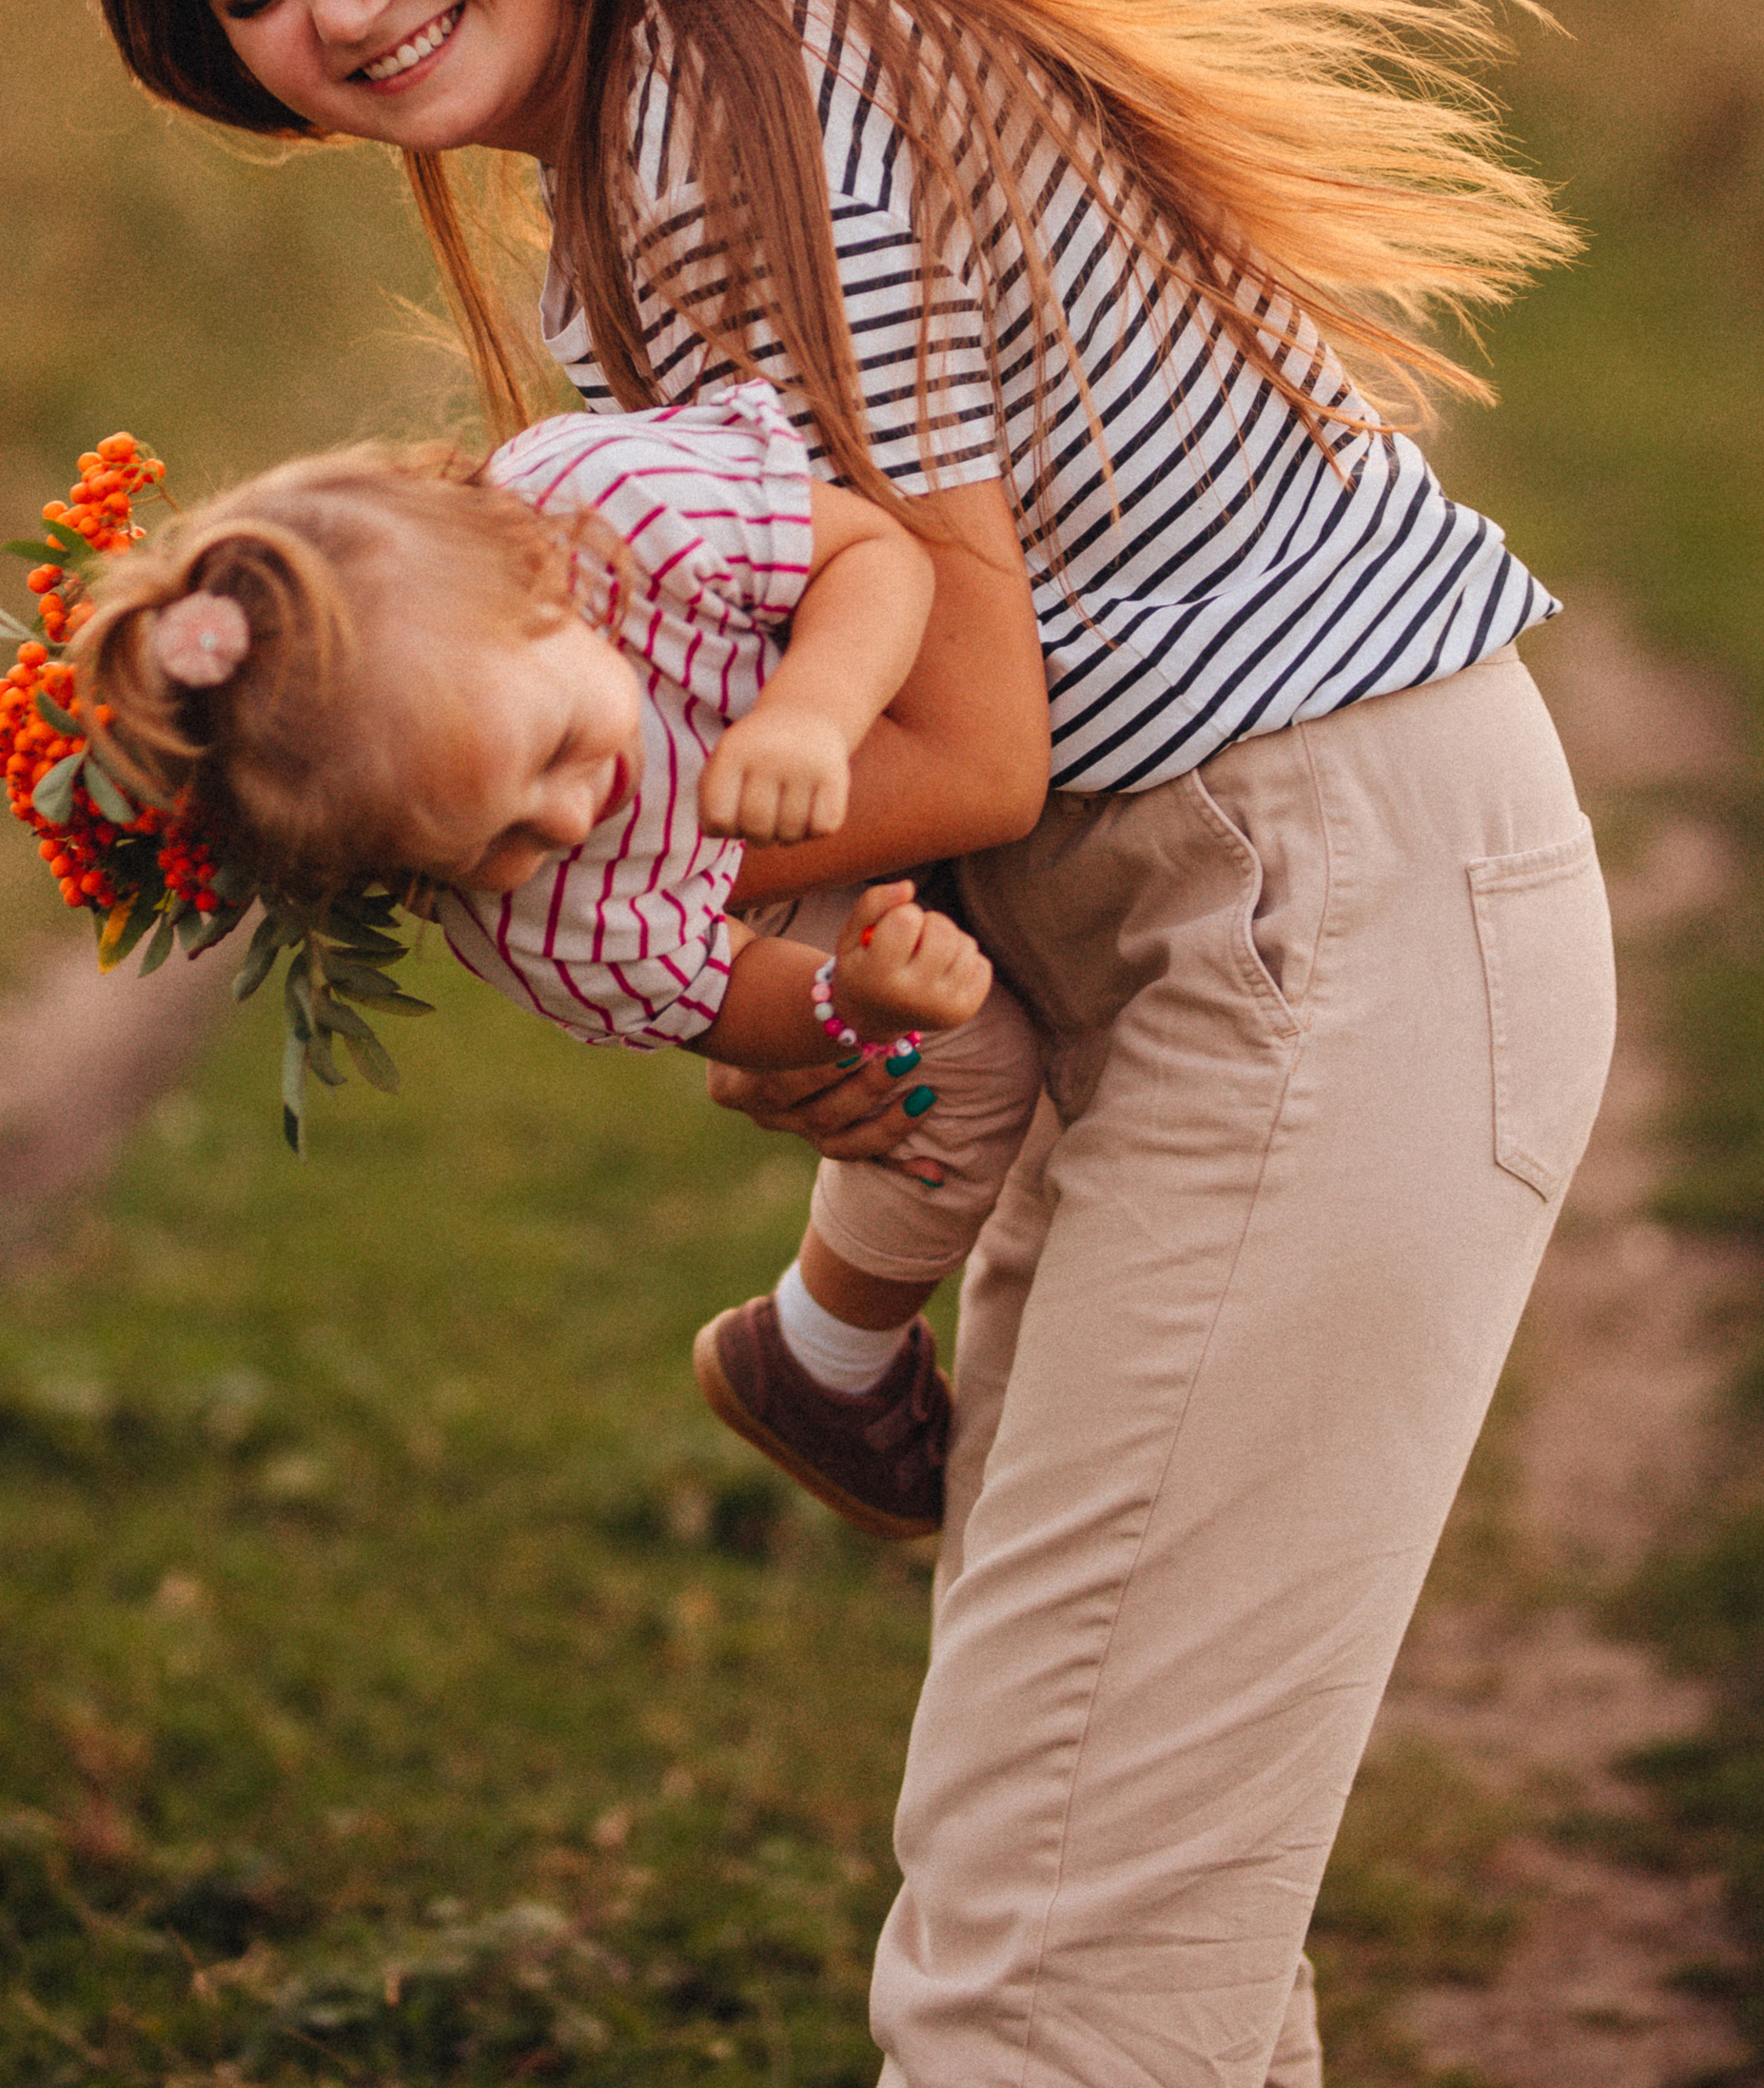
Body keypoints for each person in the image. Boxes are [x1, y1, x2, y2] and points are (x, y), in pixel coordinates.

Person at [77, 0, 1618, 2088]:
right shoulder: (645, 175)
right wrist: (801, 979)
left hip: (1317, 911)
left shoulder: (750, 111)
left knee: (1045, 1956)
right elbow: (859, 759)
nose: (335, 9)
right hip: (1184, 928)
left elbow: (963, 743)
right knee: (1124, 1901)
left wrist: (527, 862)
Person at [67, 380, 1051, 1540]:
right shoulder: (542, 925)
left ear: (540, 579)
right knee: (966, 1073)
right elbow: (725, 998)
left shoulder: (619, 511)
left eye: (554, 748)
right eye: (493, 846)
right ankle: (826, 1350)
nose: (569, 821)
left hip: (828, 694)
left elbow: (871, 557)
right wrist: (853, 999)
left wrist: (809, 714)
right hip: (791, 897)